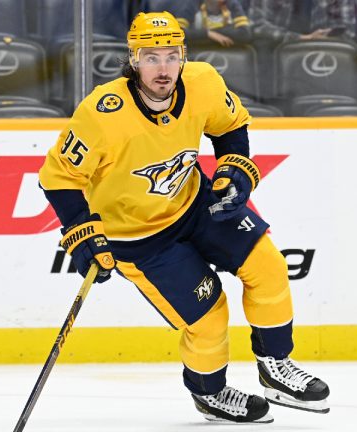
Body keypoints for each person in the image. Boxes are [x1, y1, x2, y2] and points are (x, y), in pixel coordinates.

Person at [38, 11, 329, 423]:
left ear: (183, 56)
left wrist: (233, 168)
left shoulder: (203, 81)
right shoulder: (102, 113)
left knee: (269, 267)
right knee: (209, 316)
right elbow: (58, 177)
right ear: (133, 58)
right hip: (138, 238)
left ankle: (276, 365)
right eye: (151, 57)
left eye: (171, 56)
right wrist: (83, 232)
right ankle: (210, 394)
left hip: (195, 204)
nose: (163, 68)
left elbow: (230, 126)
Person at [248, 0, 356, 43]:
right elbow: (257, 25)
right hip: (274, 53)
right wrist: (299, 39)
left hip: (324, 53)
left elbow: (348, 30)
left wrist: (327, 36)